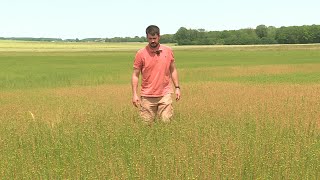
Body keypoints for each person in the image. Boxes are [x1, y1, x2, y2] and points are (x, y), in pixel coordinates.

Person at [131, 25, 181, 124]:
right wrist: (134, 94)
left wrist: (177, 87)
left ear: (159, 37)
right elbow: (135, 75)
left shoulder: (168, 51)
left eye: (154, 38)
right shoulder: (141, 53)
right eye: (150, 38)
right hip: (147, 96)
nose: (152, 41)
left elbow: (173, 70)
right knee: (146, 124)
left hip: (165, 94)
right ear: (147, 37)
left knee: (166, 122)